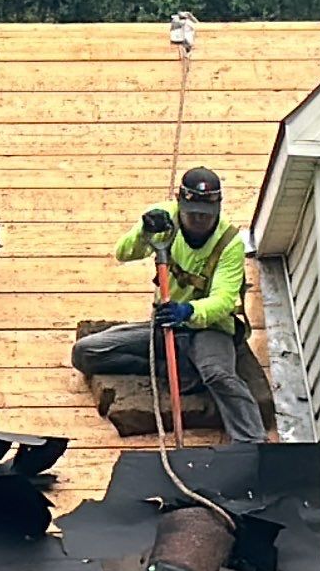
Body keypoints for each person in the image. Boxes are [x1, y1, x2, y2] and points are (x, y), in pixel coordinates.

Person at [71, 165, 267, 443]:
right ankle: (171, 369)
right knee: (87, 352)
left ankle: (252, 440)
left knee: (218, 374)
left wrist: (189, 311)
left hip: (208, 328)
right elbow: (123, 253)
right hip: (166, 326)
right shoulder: (165, 222)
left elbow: (224, 300)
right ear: (180, 204)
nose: (199, 220)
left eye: (205, 215)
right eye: (192, 213)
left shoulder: (229, 244)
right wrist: (143, 230)